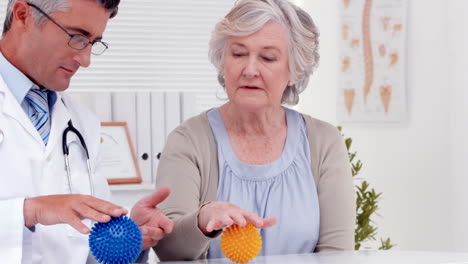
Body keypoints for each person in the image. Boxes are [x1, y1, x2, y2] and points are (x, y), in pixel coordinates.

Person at [153, 0, 356, 261]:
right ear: (222, 62)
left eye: (268, 58)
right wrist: (202, 221)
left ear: (294, 69)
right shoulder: (188, 140)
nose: (250, 70)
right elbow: (169, 251)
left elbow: (338, 255)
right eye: (238, 54)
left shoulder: (324, 143)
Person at [0, 0, 173, 263]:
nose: (86, 59)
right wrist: (29, 211)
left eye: (93, 42)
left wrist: (124, 239)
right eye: (77, 37)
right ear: (24, 15)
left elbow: (83, 250)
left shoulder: (82, 123)